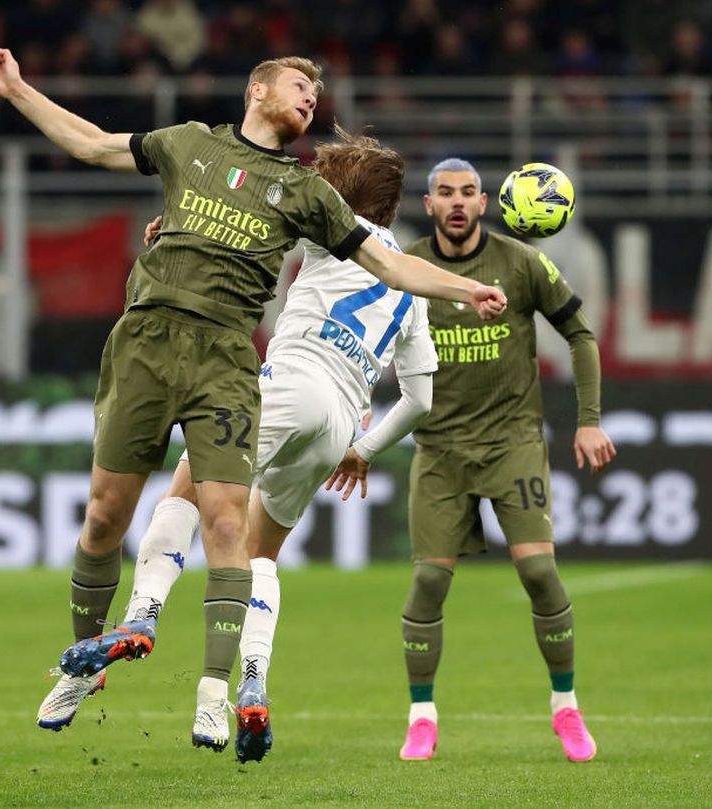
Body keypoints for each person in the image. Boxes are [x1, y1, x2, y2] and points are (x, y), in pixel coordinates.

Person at [0, 48, 507, 752]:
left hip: (230, 357)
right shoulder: (188, 144)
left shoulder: (310, 195)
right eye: (299, 84)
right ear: (256, 89)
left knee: (218, 518)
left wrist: (468, 286)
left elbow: (387, 261)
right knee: (106, 516)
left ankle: (197, 680)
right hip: (157, 345)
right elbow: (92, 144)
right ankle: (93, 666)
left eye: (317, 92)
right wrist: (15, 89)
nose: (311, 98)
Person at [117, 125, 438, 763]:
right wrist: (364, 450)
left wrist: (173, 236)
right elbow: (422, 401)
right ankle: (254, 682)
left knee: (188, 483)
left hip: (288, 382)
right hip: (341, 421)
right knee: (262, 547)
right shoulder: (411, 283)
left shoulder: (328, 233)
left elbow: (241, 231)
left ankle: (142, 615)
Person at [396, 158, 616, 763]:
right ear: (431, 203)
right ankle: (421, 717)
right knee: (428, 581)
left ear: (486, 202)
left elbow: (580, 334)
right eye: (446, 193)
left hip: (512, 443)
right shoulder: (405, 265)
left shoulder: (520, 263)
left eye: (468, 192)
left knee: (540, 574)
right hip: (439, 448)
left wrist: (589, 420)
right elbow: (364, 331)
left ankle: (566, 708)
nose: (458, 202)